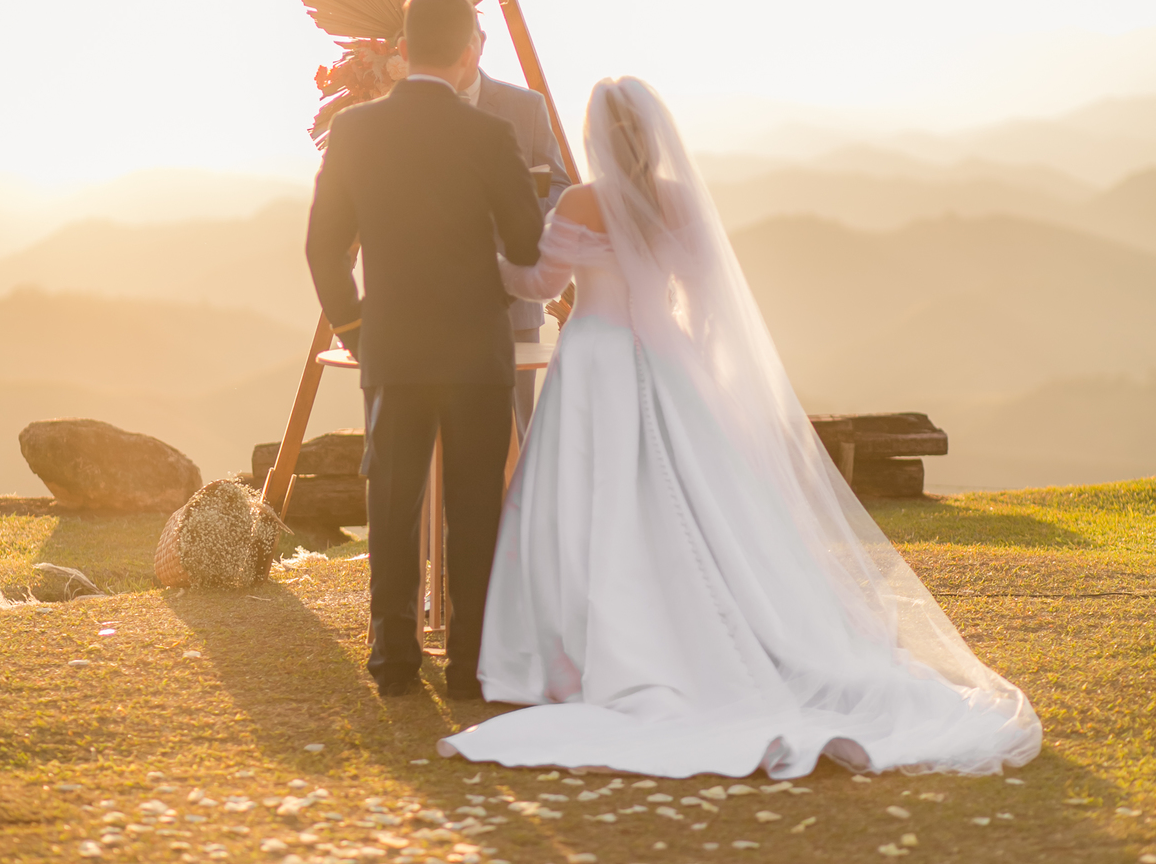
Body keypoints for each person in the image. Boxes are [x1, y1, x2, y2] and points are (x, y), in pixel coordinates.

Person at [439, 76, 1042, 779]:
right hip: (663, 359)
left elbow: (541, 285)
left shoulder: (579, 202)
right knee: (690, 504)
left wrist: (483, 261)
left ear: (595, 135)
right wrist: (692, 360)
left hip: (594, 359)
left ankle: (573, 651)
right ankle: (708, 629)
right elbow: (703, 298)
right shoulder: (679, 201)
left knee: (580, 502)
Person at [306, 0, 543, 700]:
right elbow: (527, 245)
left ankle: (393, 660)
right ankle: (470, 665)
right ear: (470, 52)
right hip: (477, 350)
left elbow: (322, 250)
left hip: (393, 348)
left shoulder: (354, 130)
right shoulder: (491, 135)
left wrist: (356, 330)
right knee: (476, 509)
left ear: (403, 50)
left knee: (392, 502)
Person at [456, 19, 572, 429]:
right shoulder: (410, 111)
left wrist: (520, 215)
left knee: (517, 430)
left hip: (515, 304)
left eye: (468, 41)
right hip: (435, 308)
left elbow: (558, 185)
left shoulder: (525, 106)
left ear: (481, 42)